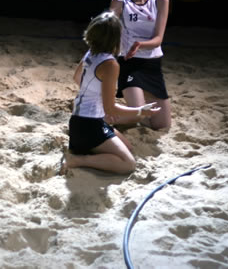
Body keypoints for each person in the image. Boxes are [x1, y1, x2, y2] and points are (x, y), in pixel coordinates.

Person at [63, 11, 160, 175]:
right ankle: (78, 160)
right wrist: (140, 111)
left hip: (79, 121)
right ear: (116, 38)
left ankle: (85, 150)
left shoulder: (91, 52)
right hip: (89, 127)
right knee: (128, 164)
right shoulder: (110, 64)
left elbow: (77, 77)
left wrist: (98, 105)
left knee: (128, 148)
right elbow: (111, 109)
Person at [108, 0, 171, 130]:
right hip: (129, 63)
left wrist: (139, 45)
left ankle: (111, 113)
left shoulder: (160, 0)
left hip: (152, 64)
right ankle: (100, 117)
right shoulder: (120, 1)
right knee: (137, 116)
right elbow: (108, 28)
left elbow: (158, 40)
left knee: (161, 125)